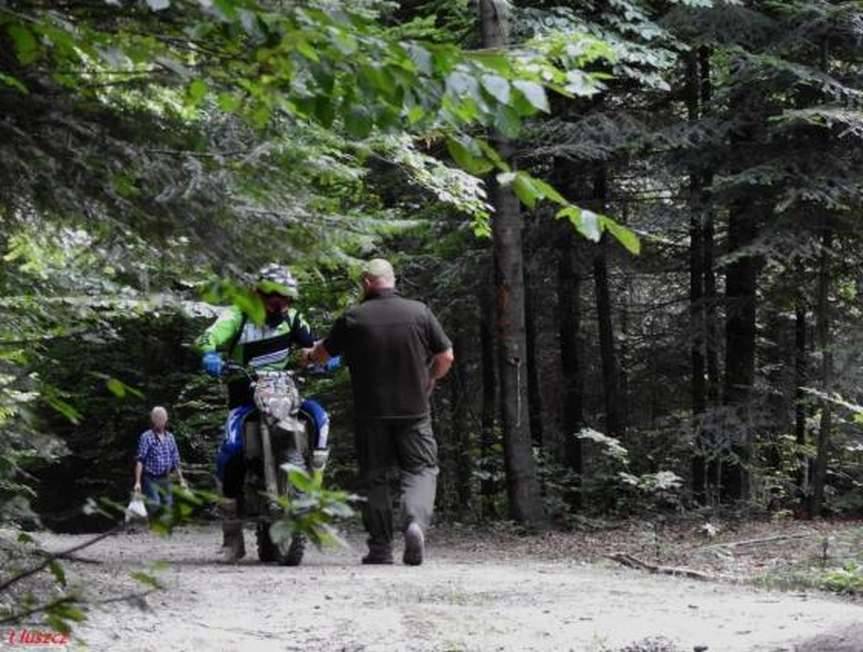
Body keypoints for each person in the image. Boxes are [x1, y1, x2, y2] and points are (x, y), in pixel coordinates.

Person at [304, 258, 454, 566]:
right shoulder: (419, 312)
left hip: (371, 413)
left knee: (375, 478)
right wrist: (430, 379)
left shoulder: (354, 317)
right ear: (392, 280)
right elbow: (446, 356)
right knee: (422, 469)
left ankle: (381, 549)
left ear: (367, 283)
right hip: (414, 410)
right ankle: (414, 523)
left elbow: (322, 354)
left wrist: (307, 356)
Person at [196, 263, 321, 563]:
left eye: (287, 298)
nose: (281, 304)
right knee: (232, 452)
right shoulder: (237, 316)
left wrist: (324, 358)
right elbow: (206, 338)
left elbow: (315, 346)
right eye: (275, 297)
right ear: (259, 293)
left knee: (318, 417)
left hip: (283, 394)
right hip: (245, 397)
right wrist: (210, 355)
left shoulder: (293, 319)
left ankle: (308, 488)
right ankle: (232, 538)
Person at [133, 406, 186, 513]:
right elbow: (140, 460)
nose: (160, 421)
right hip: (151, 477)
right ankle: (151, 524)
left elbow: (176, 460)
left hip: (166, 477)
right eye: (157, 418)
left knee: (168, 504)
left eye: (162, 418)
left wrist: (181, 480)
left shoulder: (170, 437)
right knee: (155, 504)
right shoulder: (146, 437)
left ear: (166, 419)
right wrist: (137, 482)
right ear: (153, 420)